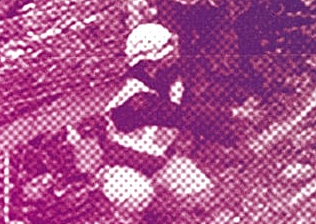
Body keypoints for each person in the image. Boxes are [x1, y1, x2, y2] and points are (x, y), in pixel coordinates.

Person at [105, 23, 245, 163]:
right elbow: (184, 115)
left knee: (202, 185)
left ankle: (232, 142)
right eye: (169, 47)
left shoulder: (163, 75)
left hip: (156, 154)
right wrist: (232, 114)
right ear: (153, 59)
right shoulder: (138, 95)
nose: (175, 48)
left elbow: (191, 105)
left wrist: (230, 137)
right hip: (129, 159)